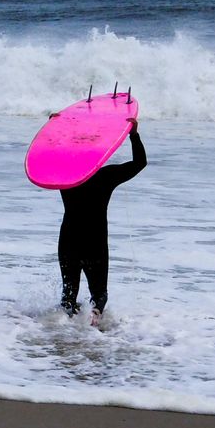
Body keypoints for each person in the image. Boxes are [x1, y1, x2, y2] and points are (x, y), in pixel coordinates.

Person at [58, 120, 145, 319]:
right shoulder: (105, 176)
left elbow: (47, 161)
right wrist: (134, 135)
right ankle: (95, 317)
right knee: (99, 293)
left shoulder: (65, 175)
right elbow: (140, 163)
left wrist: (57, 131)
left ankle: (64, 330)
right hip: (94, 240)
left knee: (68, 294)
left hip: (69, 237)